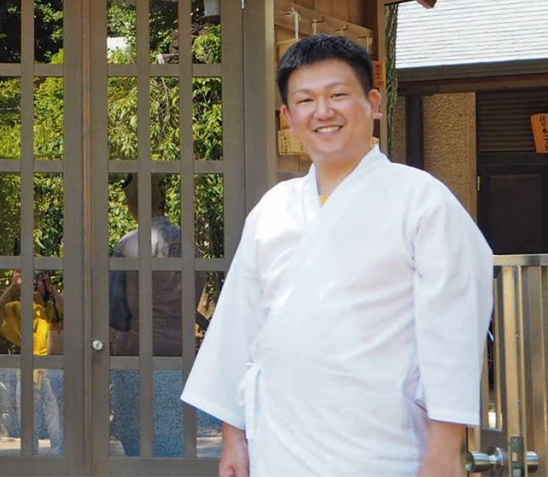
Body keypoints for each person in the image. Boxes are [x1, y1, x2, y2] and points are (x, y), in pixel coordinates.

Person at [180, 35, 493, 477]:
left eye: (338, 95)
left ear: (374, 103)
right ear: (288, 117)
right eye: (305, 100)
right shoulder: (274, 208)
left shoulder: (422, 200)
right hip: (281, 443)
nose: (322, 111)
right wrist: (235, 436)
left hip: (384, 445)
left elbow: (453, 328)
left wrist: (446, 448)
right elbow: (239, 323)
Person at [109, 173, 203, 457]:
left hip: (137, 344)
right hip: (180, 346)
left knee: (135, 426)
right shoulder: (190, 244)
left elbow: (116, 306)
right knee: (175, 425)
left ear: (134, 202)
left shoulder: (128, 246)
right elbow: (198, 288)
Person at [0, 270, 65, 454]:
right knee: (27, 416)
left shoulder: (51, 309)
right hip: (27, 370)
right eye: (31, 285)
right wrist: (13, 286)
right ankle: (29, 453)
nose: (34, 288)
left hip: (51, 370)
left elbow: (66, 316)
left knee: (54, 416)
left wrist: (51, 290)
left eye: (37, 285)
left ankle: (59, 453)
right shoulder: (21, 308)